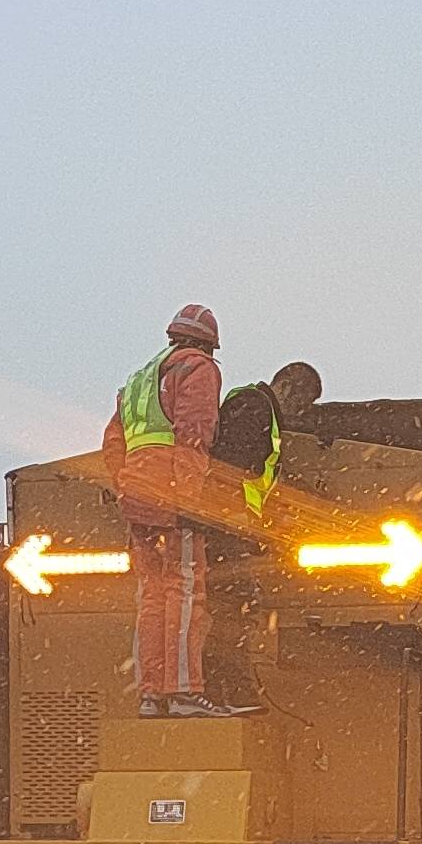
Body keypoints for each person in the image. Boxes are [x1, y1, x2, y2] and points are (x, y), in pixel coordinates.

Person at [102, 304, 247, 716]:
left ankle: (151, 694)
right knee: (186, 590)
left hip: (138, 496)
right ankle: (184, 691)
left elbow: (113, 445)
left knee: (150, 595)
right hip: (173, 492)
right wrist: (188, 498)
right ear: (208, 344)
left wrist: (129, 489)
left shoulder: (137, 381)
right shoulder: (197, 368)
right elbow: (195, 434)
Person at [209, 358, 323, 521]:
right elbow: (229, 462)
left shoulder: (263, 411)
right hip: (232, 514)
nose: (299, 414)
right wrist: (234, 509)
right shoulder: (253, 406)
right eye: (299, 405)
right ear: (285, 387)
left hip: (239, 514)